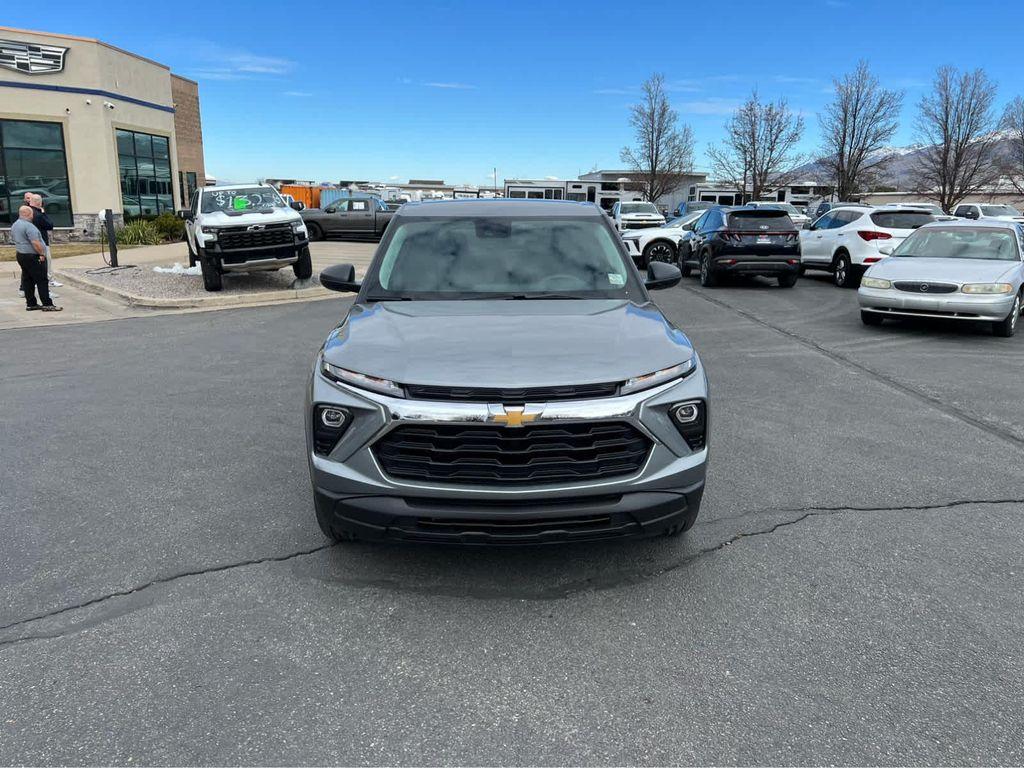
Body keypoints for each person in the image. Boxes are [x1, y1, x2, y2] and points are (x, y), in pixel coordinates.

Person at [11, 206, 61, 312]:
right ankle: (47, 304)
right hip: (33, 256)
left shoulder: (15, 225)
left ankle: (31, 303)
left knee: (27, 279)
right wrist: (42, 254)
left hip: (21, 254)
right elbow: (35, 242)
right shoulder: (29, 226)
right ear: (29, 214)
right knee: (41, 280)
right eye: (32, 213)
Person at [28, 193, 61, 292]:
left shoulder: (28, 213)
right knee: (46, 262)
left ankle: (34, 282)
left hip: (30, 242)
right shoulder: (38, 214)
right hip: (42, 242)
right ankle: (48, 280)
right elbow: (49, 225)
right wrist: (43, 213)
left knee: (34, 264)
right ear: (40, 203)